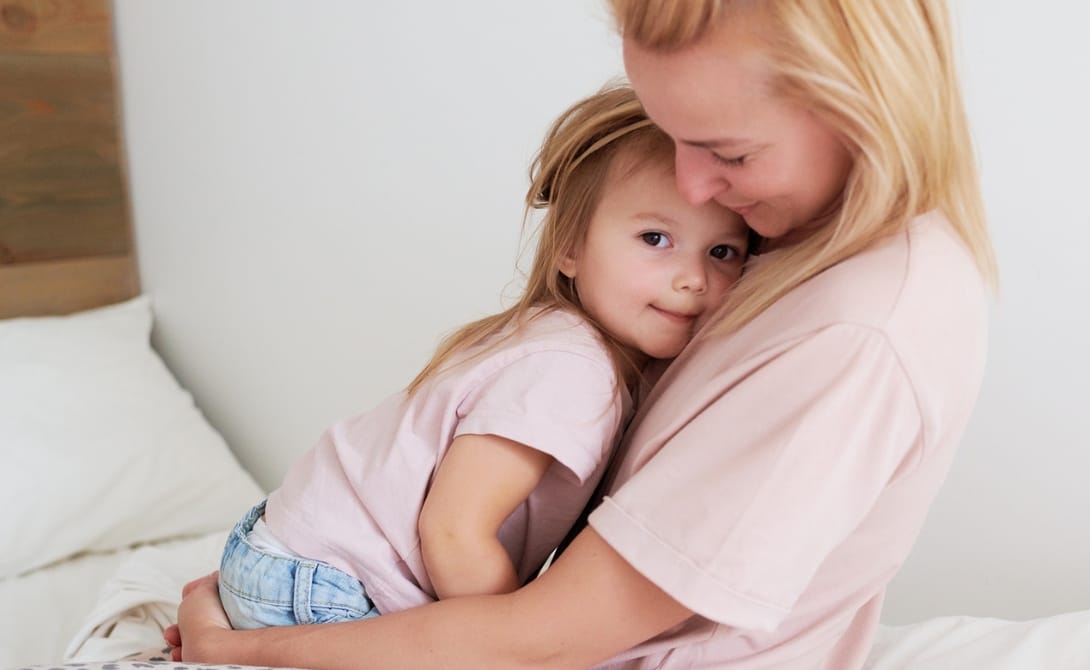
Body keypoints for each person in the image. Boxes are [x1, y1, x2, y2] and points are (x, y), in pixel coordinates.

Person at [169, 0, 997, 666]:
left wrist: (234, 647)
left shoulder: (854, 335)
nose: (692, 182)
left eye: (727, 153)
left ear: (858, 100)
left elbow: (544, 637)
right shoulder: (781, 269)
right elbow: (467, 544)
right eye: (674, 141)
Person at [212, 83, 750, 630]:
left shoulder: (566, 343)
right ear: (570, 247)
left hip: (290, 553)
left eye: (723, 252)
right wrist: (514, 644)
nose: (694, 278)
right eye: (655, 238)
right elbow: (454, 531)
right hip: (329, 581)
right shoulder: (571, 371)